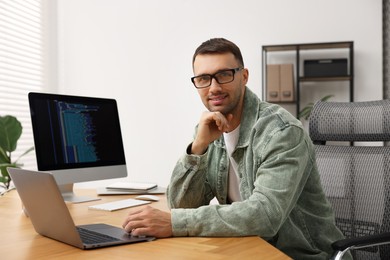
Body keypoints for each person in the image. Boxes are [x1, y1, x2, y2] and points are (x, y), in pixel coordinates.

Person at [122, 38, 348, 260]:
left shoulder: (281, 131)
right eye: (203, 78)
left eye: (223, 75)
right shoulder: (209, 129)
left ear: (244, 76)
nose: (214, 87)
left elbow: (265, 215)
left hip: (302, 254)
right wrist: (198, 147)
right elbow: (181, 205)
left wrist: (175, 223)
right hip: (247, 249)